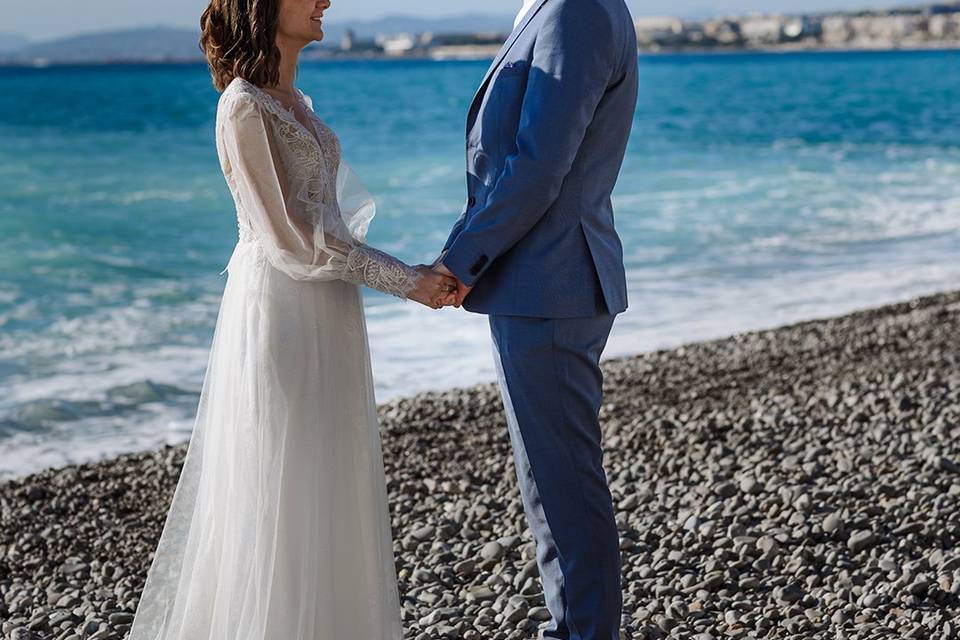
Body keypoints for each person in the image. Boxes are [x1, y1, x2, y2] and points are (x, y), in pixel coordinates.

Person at [128, 0, 455, 637]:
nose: (326, 1)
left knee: (333, 476)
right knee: (282, 484)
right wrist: (405, 279)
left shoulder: (295, 99)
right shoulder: (244, 105)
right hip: (280, 305)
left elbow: (326, 224)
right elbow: (292, 239)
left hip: (330, 303)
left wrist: (409, 273)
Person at [433, 0, 639, 637]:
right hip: (547, 279)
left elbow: (539, 164)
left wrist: (463, 260)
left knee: (561, 487)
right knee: (552, 481)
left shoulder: (574, 10)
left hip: (550, 282)